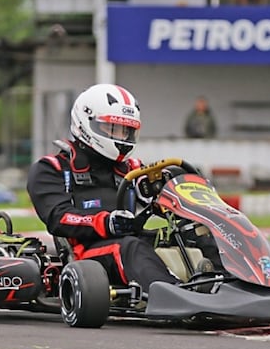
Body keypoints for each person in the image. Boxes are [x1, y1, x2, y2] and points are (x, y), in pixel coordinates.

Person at [26, 84, 182, 294]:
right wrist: (105, 222)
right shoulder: (53, 168)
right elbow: (58, 217)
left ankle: (228, 285)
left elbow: (161, 200)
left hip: (135, 243)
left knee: (196, 235)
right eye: (113, 129)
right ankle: (173, 295)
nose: (122, 137)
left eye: (127, 131)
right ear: (86, 123)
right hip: (86, 254)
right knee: (130, 247)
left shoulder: (132, 170)